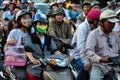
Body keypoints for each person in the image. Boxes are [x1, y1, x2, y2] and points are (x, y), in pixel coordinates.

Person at [24, 13, 62, 80]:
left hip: (48, 66)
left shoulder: (49, 38)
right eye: (40, 24)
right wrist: (32, 59)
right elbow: (28, 50)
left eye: (44, 24)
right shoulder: (30, 37)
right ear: (35, 25)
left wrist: (63, 57)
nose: (42, 26)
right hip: (35, 67)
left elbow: (55, 50)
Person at [85, 10, 120, 80]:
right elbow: (88, 51)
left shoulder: (114, 34)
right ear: (102, 22)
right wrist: (100, 59)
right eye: (110, 23)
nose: (113, 25)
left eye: (114, 23)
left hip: (116, 65)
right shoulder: (93, 34)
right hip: (100, 66)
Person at [70, 9, 101, 80]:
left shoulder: (96, 28)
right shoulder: (82, 28)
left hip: (91, 55)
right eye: (99, 22)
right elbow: (81, 47)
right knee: (85, 68)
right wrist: (86, 62)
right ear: (94, 21)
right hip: (78, 56)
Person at [4, 10, 32, 80]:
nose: (27, 20)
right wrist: (9, 43)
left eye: (29, 18)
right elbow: (5, 48)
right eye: (24, 18)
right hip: (18, 62)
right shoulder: (14, 32)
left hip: (31, 60)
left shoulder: (33, 32)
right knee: (23, 77)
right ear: (19, 20)